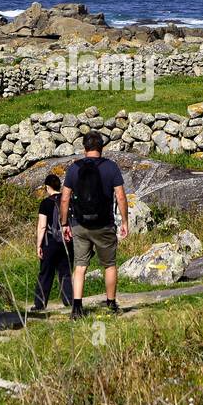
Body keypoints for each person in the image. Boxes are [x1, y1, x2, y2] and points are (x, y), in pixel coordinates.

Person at [59, 131, 129, 318]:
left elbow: (65, 199)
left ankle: (77, 307)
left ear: (84, 148)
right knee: (109, 265)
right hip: (104, 224)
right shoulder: (111, 167)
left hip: (80, 224)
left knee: (80, 266)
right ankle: (111, 304)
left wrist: (65, 223)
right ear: (102, 148)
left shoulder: (74, 168)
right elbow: (121, 196)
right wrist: (124, 221)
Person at [32, 173, 73, 312]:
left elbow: (42, 226)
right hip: (66, 242)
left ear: (47, 187)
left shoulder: (45, 203)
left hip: (50, 242)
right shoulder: (67, 200)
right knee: (66, 273)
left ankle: (39, 305)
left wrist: (38, 245)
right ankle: (69, 302)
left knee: (45, 273)